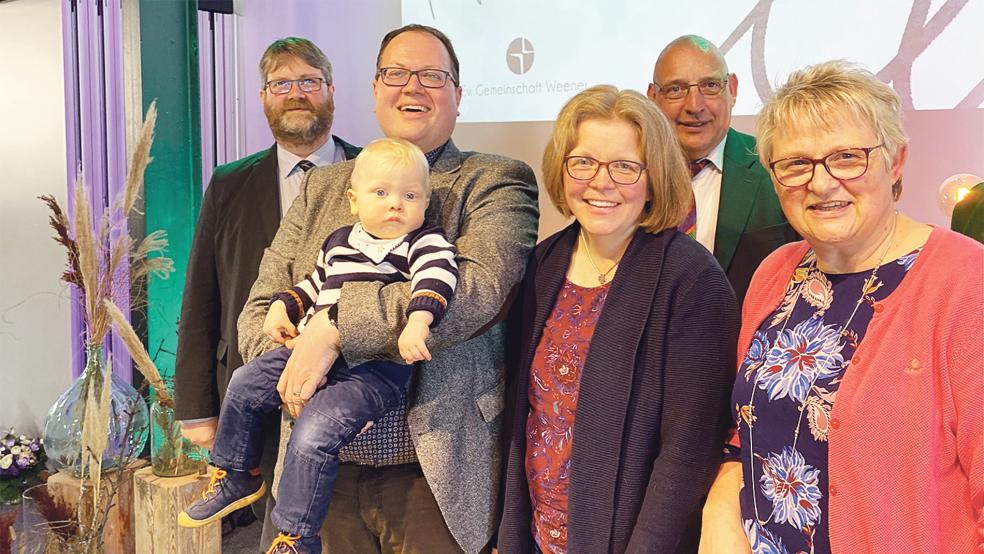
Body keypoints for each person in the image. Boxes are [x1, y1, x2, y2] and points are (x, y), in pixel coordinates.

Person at [238, 24, 539, 554]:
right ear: (376, 90)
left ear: (458, 95)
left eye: (432, 75)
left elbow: (474, 292)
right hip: (320, 467)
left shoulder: (494, 180)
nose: (412, 87)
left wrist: (333, 328)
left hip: (431, 474)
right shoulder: (326, 185)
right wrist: (306, 371)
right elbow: (261, 307)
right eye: (396, 74)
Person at [699, 60, 983, 554]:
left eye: (848, 157)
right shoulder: (774, 274)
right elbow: (746, 426)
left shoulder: (966, 282)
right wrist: (720, 508)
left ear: (896, 161)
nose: (822, 182)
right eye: (796, 163)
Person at [177, 138, 458, 553]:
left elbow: (437, 281)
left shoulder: (423, 242)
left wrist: (418, 322)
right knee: (245, 382)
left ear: (426, 202)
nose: (396, 205)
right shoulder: (340, 241)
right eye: (381, 193)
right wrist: (282, 307)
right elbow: (312, 284)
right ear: (354, 200)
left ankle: (296, 535)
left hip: (371, 370)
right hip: (306, 352)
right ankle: (235, 472)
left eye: (410, 196)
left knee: (313, 435)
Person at [497, 85, 738, 554]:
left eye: (625, 167)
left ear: (655, 177)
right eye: (583, 162)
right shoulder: (543, 264)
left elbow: (688, 453)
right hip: (540, 536)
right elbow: (527, 418)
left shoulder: (692, 280)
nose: (600, 182)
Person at [173, 36, 359, 541]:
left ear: (332, 91)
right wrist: (196, 406)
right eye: (281, 84)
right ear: (262, 97)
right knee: (271, 530)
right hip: (257, 390)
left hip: (346, 388)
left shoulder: (375, 173)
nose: (296, 93)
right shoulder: (229, 183)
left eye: (309, 82)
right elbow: (201, 298)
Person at [648, 35, 795, 305]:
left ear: (733, 89)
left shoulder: (776, 167)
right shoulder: (629, 175)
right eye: (676, 89)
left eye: (710, 85)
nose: (694, 106)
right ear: (653, 97)